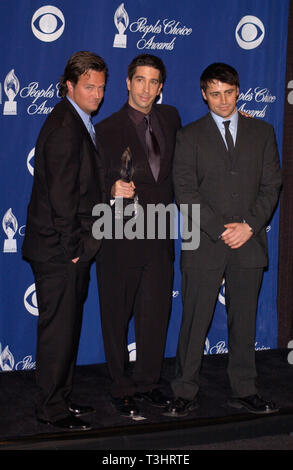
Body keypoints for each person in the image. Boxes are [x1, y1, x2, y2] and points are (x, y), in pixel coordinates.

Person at [165, 62, 282, 417]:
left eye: (229, 92)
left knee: (244, 321)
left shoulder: (262, 132)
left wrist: (248, 225)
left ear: (238, 91)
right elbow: (184, 191)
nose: (223, 100)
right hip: (205, 240)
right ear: (204, 95)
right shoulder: (189, 136)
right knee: (194, 321)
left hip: (249, 240)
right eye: (215, 94)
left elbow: (271, 184)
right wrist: (220, 228)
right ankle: (184, 390)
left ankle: (245, 389)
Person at [22, 51, 107, 430]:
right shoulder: (63, 127)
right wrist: (75, 249)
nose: (97, 94)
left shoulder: (78, 121)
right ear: (69, 85)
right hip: (60, 250)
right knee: (58, 332)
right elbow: (61, 197)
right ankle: (51, 408)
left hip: (68, 248)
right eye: (89, 87)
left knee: (68, 327)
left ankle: (63, 397)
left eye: (101, 87)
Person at [95, 54, 181, 416]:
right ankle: (121, 384)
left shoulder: (172, 118)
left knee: (155, 312)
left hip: (160, 233)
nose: (147, 88)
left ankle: (148, 382)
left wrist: (237, 119)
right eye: (140, 80)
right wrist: (109, 187)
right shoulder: (105, 129)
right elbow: (87, 181)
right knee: (117, 313)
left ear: (161, 87)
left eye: (154, 82)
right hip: (119, 235)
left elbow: (198, 147)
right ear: (128, 83)